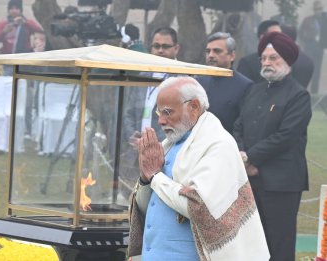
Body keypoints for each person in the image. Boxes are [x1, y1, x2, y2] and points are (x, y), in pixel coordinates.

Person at [128, 76, 270, 260]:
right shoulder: (168, 144)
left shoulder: (218, 144)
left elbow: (198, 206)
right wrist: (146, 178)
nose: (161, 121)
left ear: (194, 106)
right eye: (159, 113)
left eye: (167, 112)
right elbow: (149, 205)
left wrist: (155, 176)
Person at [233, 32, 312, 260]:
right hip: (249, 181)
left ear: (287, 60)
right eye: (264, 58)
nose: (267, 63)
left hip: (281, 183)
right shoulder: (254, 90)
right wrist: (241, 156)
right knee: (250, 243)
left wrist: (251, 158)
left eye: (274, 58)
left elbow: (286, 136)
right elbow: (239, 127)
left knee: (278, 244)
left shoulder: (298, 96)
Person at [121, 27, 180, 196]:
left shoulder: (184, 79)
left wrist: (154, 144)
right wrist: (131, 136)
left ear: (176, 48)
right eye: (156, 46)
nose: (160, 50)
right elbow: (129, 113)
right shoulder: (143, 74)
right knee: (131, 200)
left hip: (164, 156)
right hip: (135, 152)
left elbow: (180, 121)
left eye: (166, 46)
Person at [196, 32, 252, 134]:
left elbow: (243, 124)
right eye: (208, 51)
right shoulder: (198, 82)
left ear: (232, 56)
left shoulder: (245, 86)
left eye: (217, 51)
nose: (211, 55)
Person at [237, 20, 313, 89]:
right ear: (262, 37)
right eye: (275, 35)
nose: (280, 39)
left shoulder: (286, 61)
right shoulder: (248, 63)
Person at [0, 0, 42, 75]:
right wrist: (4, 31)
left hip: (24, 62)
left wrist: (25, 22)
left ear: (21, 11)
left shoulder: (26, 23)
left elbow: (39, 31)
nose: (14, 11)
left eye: (17, 8)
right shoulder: (3, 24)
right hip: (7, 63)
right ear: (8, 10)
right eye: (11, 8)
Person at [299, 0, 327, 94]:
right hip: (310, 48)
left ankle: (315, 93)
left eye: (320, 9)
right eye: (316, 9)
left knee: (317, 72)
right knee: (308, 70)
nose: (318, 11)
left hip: (319, 49)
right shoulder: (308, 20)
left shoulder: (324, 19)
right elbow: (301, 33)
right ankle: (303, 91)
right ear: (314, 10)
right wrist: (303, 44)